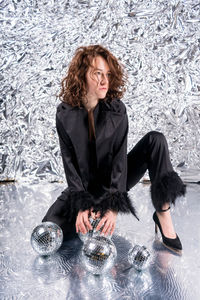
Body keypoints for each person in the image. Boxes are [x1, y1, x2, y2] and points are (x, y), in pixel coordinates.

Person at [42, 44, 186, 254]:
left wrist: (113, 205)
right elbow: (69, 163)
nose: (104, 81)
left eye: (107, 74)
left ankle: (163, 215)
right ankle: (90, 215)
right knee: (49, 232)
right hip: (84, 188)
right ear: (82, 76)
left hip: (114, 182)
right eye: (97, 74)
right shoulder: (64, 114)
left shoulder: (117, 110)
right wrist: (81, 204)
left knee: (156, 140)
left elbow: (120, 160)